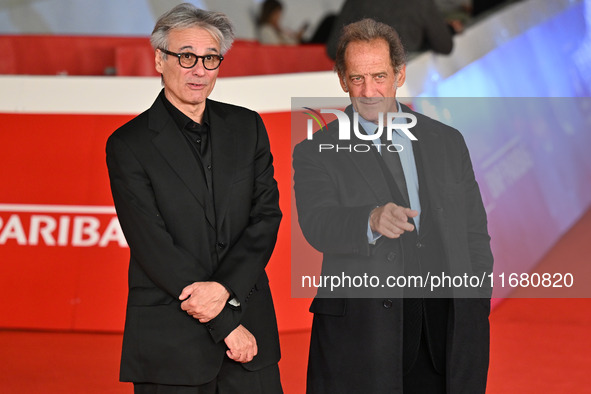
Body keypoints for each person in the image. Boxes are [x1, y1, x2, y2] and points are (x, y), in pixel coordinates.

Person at [293, 18, 493, 393]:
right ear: (341, 79)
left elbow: (474, 233)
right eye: (357, 78)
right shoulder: (315, 150)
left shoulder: (446, 141)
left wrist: (475, 302)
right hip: (364, 339)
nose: (369, 91)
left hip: (446, 339)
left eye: (379, 76)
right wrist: (369, 220)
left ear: (400, 75)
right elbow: (317, 224)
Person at [106, 3, 283, 393]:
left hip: (251, 341)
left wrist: (225, 291)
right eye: (186, 56)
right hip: (173, 344)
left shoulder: (248, 126)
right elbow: (153, 246)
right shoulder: (128, 145)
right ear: (159, 59)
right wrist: (226, 324)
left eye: (210, 58)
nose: (199, 70)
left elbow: (266, 217)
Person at [325, 0, 454, 59]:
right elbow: (445, 46)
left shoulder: (356, 2)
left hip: (363, 86)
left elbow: (333, 49)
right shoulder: (421, 3)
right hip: (405, 84)